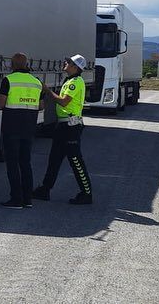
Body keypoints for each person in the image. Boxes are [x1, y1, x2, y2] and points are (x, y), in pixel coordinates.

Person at [33, 54, 93, 205]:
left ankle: (86, 193)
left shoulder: (76, 82)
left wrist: (46, 90)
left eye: (69, 62)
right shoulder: (69, 80)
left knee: (75, 160)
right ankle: (45, 189)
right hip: (63, 125)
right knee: (54, 159)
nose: (65, 63)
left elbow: (64, 102)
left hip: (71, 126)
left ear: (75, 67)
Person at [0, 53, 44, 209]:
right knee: (25, 163)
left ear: (12, 65)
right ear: (26, 63)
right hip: (29, 128)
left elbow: (1, 104)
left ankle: (16, 199)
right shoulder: (37, 82)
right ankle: (28, 199)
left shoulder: (8, 80)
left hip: (12, 128)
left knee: (12, 164)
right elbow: (42, 106)